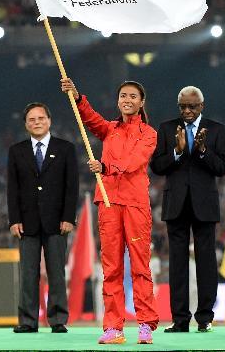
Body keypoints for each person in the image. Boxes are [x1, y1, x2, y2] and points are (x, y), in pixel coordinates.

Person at [60, 77, 159, 345]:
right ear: (118, 101)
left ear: (141, 103)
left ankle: (146, 324)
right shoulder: (109, 129)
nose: (127, 100)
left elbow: (135, 161)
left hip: (135, 204)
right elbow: (90, 119)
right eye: (123, 96)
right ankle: (114, 327)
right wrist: (77, 96)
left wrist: (106, 169)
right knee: (111, 267)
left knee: (140, 266)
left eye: (133, 96)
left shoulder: (149, 134)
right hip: (108, 202)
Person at [150, 85, 225, 333]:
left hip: (205, 205)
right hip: (176, 204)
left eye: (192, 106)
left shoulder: (217, 130)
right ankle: (180, 319)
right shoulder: (166, 128)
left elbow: (222, 168)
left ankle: (205, 317)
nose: (187, 111)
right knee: (177, 263)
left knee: (206, 262)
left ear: (201, 106)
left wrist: (203, 151)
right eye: (183, 106)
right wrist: (177, 151)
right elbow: (157, 166)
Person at [6, 102, 79, 334]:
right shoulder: (16, 151)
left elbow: (72, 187)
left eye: (40, 118)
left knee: (57, 272)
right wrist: (14, 219)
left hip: (58, 221)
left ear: (50, 121)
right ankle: (27, 321)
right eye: (31, 120)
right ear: (26, 124)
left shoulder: (66, 148)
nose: (36, 123)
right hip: (26, 222)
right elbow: (12, 188)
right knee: (28, 273)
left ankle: (58, 320)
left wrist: (68, 217)